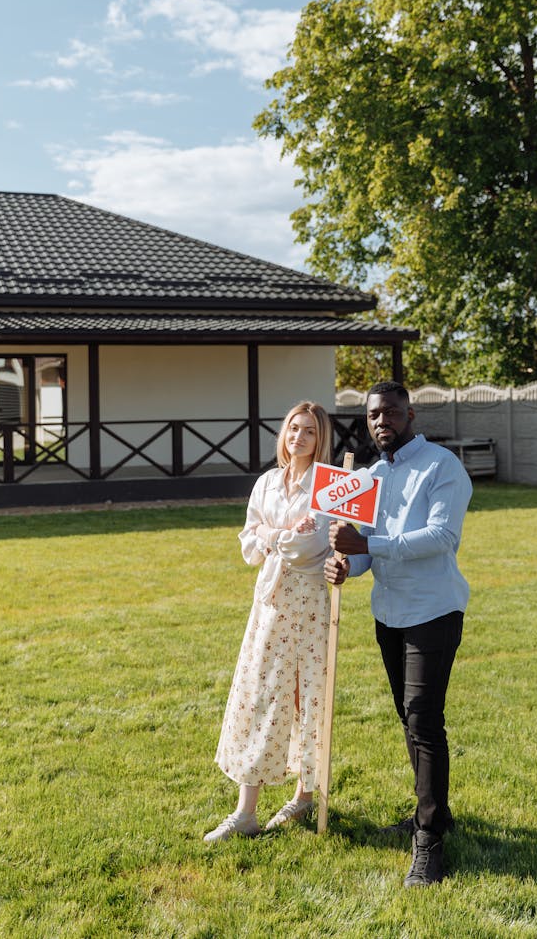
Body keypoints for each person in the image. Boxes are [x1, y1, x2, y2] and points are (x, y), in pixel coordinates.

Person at [326, 380, 471, 887]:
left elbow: (441, 536)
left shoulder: (442, 467)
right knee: (408, 720)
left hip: (433, 610)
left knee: (423, 720)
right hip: (388, 613)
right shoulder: (367, 479)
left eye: (389, 412)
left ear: (410, 415)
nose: (380, 422)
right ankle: (436, 813)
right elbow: (366, 553)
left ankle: (428, 840)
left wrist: (370, 542)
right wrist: (349, 562)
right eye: (372, 416)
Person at [204, 401, 334, 842]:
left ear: (321, 439)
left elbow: (311, 546)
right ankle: (247, 812)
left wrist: (273, 537)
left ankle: (304, 793)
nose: (299, 437)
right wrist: (280, 535)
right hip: (270, 600)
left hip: (309, 600)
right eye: (294, 429)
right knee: (259, 693)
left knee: (306, 694)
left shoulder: (328, 484)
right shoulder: (266, 482)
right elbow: (249, 539)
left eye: (310, 432)